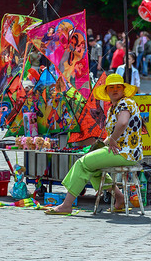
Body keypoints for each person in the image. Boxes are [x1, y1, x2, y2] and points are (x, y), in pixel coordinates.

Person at [45, 74, 142, 215]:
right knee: (93, 168)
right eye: (111, 88)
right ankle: (120, 197)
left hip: (124, 152)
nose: (115, 90)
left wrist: (113, 140)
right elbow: (112, 133)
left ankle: (66, 205)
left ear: (123, 90)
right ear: (107, 91)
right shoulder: (113, 108)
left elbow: (122, 123)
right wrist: (103, 143)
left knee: (82, 163)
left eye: (118, 87)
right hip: (122, 151)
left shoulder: (125, 103)